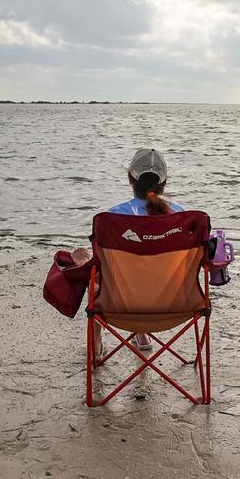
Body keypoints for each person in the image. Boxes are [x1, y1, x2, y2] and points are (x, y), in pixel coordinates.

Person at [70, 149, 185, 352]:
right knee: (148, 272)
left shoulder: (114, 217)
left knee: (94, 274)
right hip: (174, 305)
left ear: (130, 179)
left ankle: (96, 343)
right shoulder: (182, 216)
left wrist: (81, 260)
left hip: (121, 304)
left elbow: (102, 265)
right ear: (164, 182)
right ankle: (141, 336)